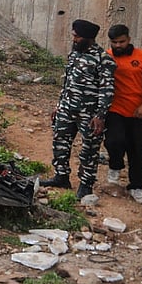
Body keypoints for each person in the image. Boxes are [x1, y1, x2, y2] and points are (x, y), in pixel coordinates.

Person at [41, 19, 116, 199]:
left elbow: (107, 90)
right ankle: (61, 176)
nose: (74, 39)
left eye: (77, 37)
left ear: (89, 38)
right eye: (74, 35)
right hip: (67, 109)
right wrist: (59, 105)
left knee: (89, 149)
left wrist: (100, 115)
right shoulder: (74, 54)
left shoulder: (103, 59)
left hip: (89, 114)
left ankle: (86, 185)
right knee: (60, 142)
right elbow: (67, 82)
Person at [104, 24, 142, 204]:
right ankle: (115, 166)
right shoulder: (106, 57)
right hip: (115, 109)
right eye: (114, 42)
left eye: (121, 42)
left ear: (129, 39)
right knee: (113, 141)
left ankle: (136, 186)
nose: (118, 45)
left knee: (138, 150)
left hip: (139, 113)